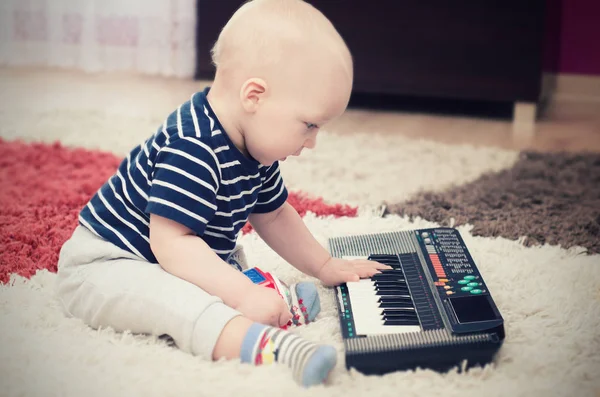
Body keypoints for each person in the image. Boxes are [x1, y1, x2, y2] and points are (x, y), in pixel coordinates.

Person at [55, 0, 388, 387]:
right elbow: (173, 244)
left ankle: (266, 300)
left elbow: (275, 215)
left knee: (224, 264)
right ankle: (271, 347)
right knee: (181, 304)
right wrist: (243, 294)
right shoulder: (192, 146)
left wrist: (324, 265)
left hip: (172, 258)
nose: (312, 142)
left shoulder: (254, 147)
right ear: (254, 96)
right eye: (309, 125)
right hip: (107, 267)